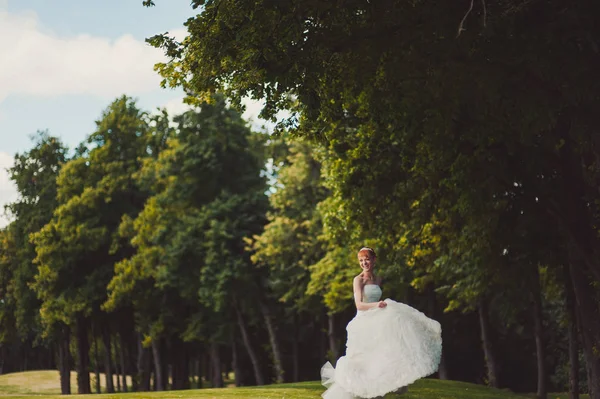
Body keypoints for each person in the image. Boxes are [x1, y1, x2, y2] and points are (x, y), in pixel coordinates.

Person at [320, 247, 442, 399]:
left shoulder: (378, 279)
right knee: (362, 356)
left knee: (382, 352)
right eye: (361, 260)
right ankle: (362, 387)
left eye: (367, 259)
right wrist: (376, 305)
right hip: (363, 320)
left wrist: (380, 307)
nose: (364, 263)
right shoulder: (359, 280)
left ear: (374, 260)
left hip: (377, 318)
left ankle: (379, 387)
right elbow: (359, 305)